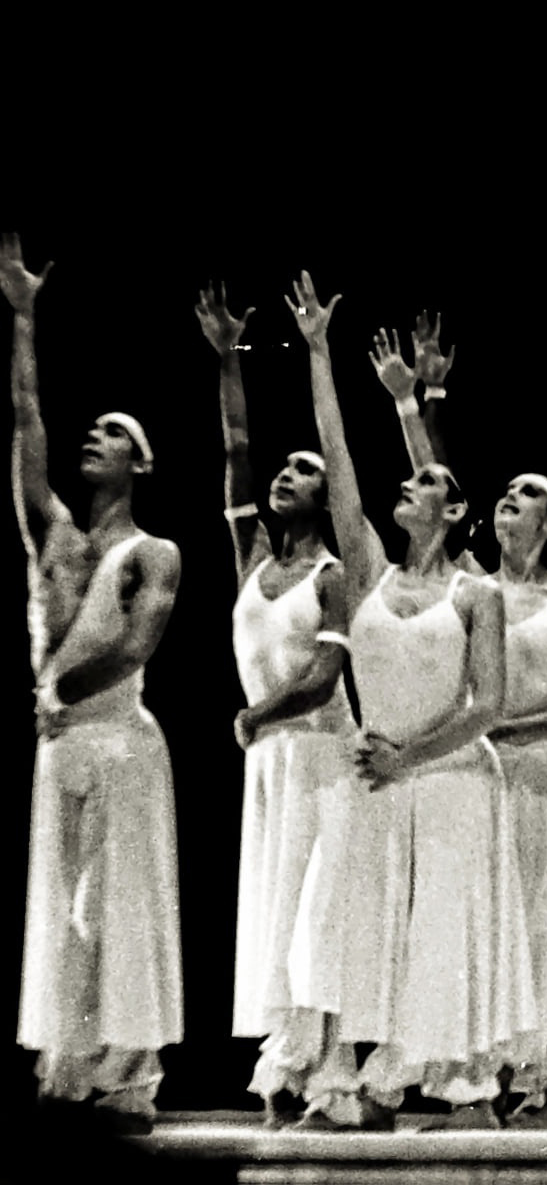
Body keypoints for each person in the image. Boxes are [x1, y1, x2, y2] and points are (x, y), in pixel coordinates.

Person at [288, 271, 539, 1131]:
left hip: (454, 777)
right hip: (382, 779)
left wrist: (409, 754)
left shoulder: (477, 595)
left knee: (443, 936)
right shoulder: (364, 571)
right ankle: (379, 1077)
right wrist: (320, 352)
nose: (410, 487)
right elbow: (341, 458)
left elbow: (491, 704)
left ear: (456, 508)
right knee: (369, 930)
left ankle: (461, 1086)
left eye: (428, 481)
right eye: (412, 480)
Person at [379, 316, 547, 1129]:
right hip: (482, 779)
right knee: (490, 928)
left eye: (525, 497)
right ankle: (474, 1068)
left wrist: (505, 732)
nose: (506, 503)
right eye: (506, 495)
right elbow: (435, 485)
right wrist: (419, 401)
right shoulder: (475, 585)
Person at [8, 234, 184, 1135]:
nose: (95, 436)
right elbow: (27, 422)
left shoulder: (153, 553)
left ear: (140, 464)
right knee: (63, 911)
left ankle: (131, 1071)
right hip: (62, 743)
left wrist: (63, 692)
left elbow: (137, 646)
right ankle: (70, 1065)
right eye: (96, 429)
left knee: (116, 904)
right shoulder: (58, 537)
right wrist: (24, 315)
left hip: (117, 739)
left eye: (115, 433)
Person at [199, 282, 354, 1126]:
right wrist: (231, 357)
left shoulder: (335, 576)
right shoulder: (253, 556)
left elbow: (327, 680)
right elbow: (235, 445)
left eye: (307, 471)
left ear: (328, 499)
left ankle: (308, 1068)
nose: (287, 476)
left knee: (312, 916)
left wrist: (260, 715)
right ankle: (306, 1069)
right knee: (275, 909)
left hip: (322, 755)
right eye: (286, 469)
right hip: (269, 763)